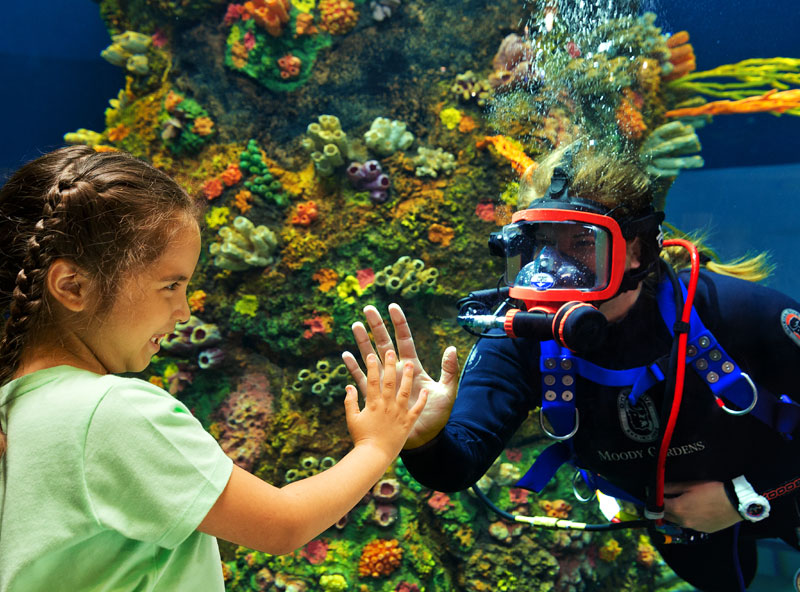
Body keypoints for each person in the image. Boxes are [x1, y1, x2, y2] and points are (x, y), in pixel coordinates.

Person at [343, 141, 800, 592]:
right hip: (679, 525)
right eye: (542, 244)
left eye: (583, 243)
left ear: (637, 251)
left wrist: (746, 496)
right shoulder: (524, 340)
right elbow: (456, 468)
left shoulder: (733, 312)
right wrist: (423, 440)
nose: (556, 270)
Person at [0, 146, 427, 592]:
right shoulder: (110, 412)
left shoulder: (11, 412)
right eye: (170, 285)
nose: (184, 311)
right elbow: (283, 524)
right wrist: (378, 444)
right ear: (73, 286)